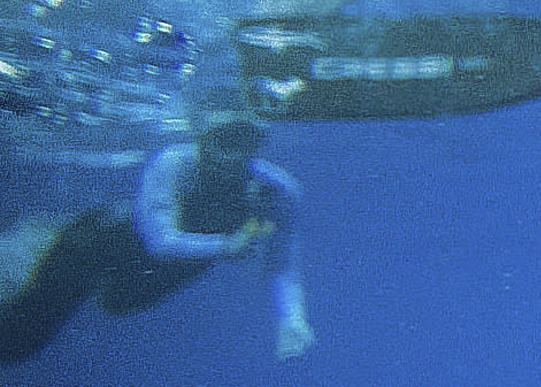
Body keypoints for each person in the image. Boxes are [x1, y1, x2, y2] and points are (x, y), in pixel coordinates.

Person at [0, 116, 311, 363]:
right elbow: (159, 240)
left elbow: (282, 263)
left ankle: (34, 248)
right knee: (22, 338)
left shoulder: (276, 190)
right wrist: (225, 245)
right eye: (225, 141)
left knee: (116, 304)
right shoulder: (174, 162)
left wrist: (293, 318)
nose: (233, 155)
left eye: (245, 143)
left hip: (157, 271)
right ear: (203, 138)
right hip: (99, 244)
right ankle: (30, 248)